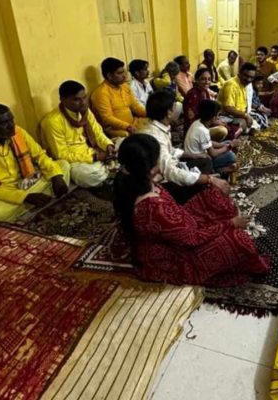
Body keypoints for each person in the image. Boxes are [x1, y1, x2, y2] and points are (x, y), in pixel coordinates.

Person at [113, 134, 269, 285]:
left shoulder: (136, 180)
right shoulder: (152, 207)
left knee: (214, 194)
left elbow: (175, 218)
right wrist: (231, 224)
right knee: (239, 240)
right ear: (152, 168)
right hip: (176, 255)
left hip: (177, 227)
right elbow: (192, 239)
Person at [0, 103, 69, 223]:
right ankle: (31, 203)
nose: (11, 126)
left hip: (28, 181)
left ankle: (27, 206)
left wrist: (56, 176)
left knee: (62, 166)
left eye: (11, 120)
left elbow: (40, 155)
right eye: (4, 123)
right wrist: (23, 197)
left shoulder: (17, 132)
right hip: (3, 194)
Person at [139, 91, 229, 203]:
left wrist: (192, 155)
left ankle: (205, 183)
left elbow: (170, 151)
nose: (178, 108)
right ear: (168, 113)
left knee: (204, 161)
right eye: (174, 106)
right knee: (202, 182)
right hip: (160, 183)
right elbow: (170, 172)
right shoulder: (155, 136)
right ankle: (194, 199)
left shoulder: (161, 127)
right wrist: (208, 179)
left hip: (170, 168)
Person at [41, 81, 116, 188]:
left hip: (95, 150)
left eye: (84, 97)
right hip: (76, 162)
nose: (83, 102)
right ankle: (109, 169)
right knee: (87, 175)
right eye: (77, 99)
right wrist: (94, 157)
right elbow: (61, 155)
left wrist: (108, 146)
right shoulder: (52, 121)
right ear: (63, 100)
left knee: (124, 144)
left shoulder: (85, 111)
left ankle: (107, 168)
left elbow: (98, 133)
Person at [91, 57, 147, 138]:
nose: (124, 76)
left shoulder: (124, 86)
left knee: (155, 122)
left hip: (132, 123)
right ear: (109, 75)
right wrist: (127, 126)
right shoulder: (101, 93)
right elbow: (107, 118)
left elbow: (135, 107)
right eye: (120, 73)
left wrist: (151, 113)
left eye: (124, 72)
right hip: (116, 130)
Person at [184, 100, 237, 177]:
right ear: (213, 117)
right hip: (199, 161)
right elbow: (213, 153)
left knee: (228, 142)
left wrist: (225, 145)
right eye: (217, 115)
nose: (218, 118)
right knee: (231, 156)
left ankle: (219, 168)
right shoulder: (202, 130)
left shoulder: (198, 122)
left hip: (201, 155)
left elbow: (209, 142)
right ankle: (218, 171)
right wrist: (229, 147)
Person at [183, 68, 229, 140]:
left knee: (227, 125)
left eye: (209, 79)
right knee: (222, 131)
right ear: (196, 80)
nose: (206, 82)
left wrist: (216, 120)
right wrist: (213, 123)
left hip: (205, 124)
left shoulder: (205, 92)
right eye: (203, 79)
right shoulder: (192, 95)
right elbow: (192, 120)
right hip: (195, 130)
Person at [218, 62, 257, 132]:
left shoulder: (243, 84)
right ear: (240, 73)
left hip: (236, 115)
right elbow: (228, 108)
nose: (249, 79)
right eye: (246, 76)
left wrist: (247, 115)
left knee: (256, 118)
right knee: (244, 123)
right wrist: (245, 116)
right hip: (225, 116)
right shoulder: (232, 85)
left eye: (251, 77)